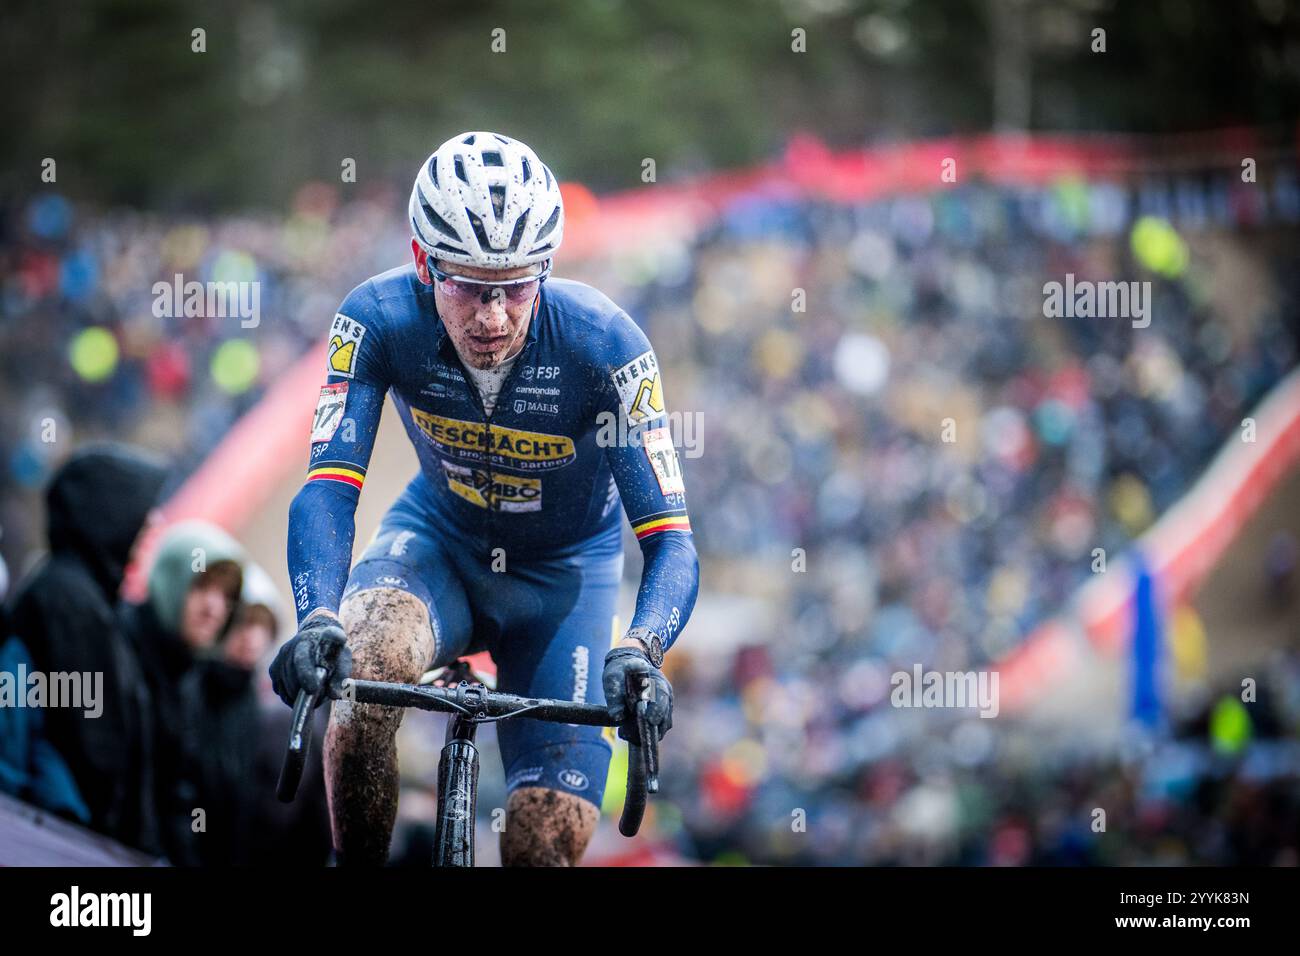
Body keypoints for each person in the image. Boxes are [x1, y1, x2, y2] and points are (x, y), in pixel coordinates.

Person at [272, 131, 699, 866]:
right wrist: (316, 617)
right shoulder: (376, 319)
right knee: (365, 670)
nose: (493, 318)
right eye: (468, 285)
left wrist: (640, 649)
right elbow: (328, 489)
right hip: (438, 544)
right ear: (421, 262)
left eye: (517, 285)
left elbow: (669, 540)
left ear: (548, 271)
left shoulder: (607, 345)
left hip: (566, 582)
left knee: (540, 845)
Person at [4, 443, 168, 851]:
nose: (151, 522)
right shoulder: (68, 602)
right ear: (107, 514)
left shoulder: (88, 598)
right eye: (137, 508)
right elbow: (93, 746)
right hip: (76, 845)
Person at [125, 519, 245, 865]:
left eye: (227, 596)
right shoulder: (120, 649)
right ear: (172, 580)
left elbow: (177, 797)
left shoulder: (188, 677)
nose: (215, 608)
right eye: (202, 587)